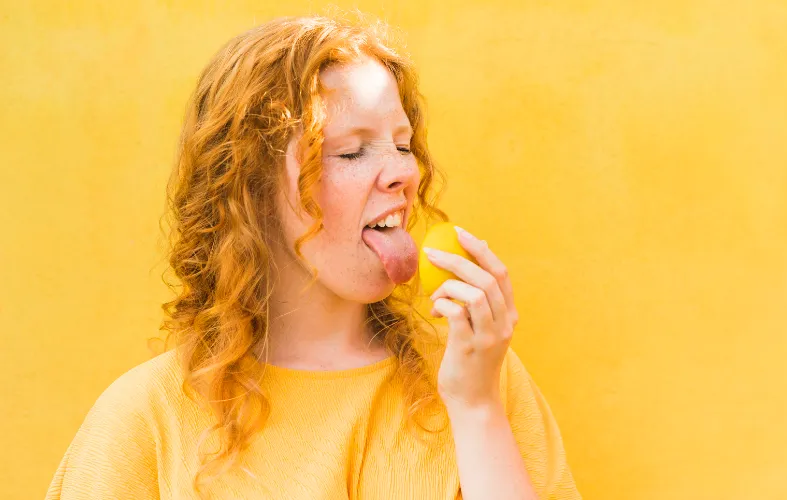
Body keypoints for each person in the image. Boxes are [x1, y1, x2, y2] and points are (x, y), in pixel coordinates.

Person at [45, 13, 581, 500]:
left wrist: (478, 409)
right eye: (350, 150)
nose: (404, 173)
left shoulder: (477, 374)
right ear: (248, 189)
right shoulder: (146, 418)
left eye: (402, 144)